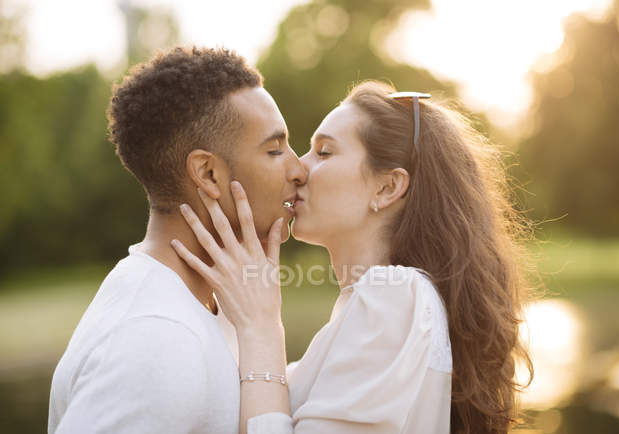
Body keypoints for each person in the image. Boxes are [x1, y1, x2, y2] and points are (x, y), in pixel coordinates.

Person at [174, 81, 535, 433]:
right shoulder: (367, 309)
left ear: (387, 187)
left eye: (324, 152)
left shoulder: (394, 297)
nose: (298, 169)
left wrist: (262, 328)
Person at [48, 46, 308, 433]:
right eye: (274, 150)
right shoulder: (153, 338)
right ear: (207, 173)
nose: (299, 168)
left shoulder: (223, 305)